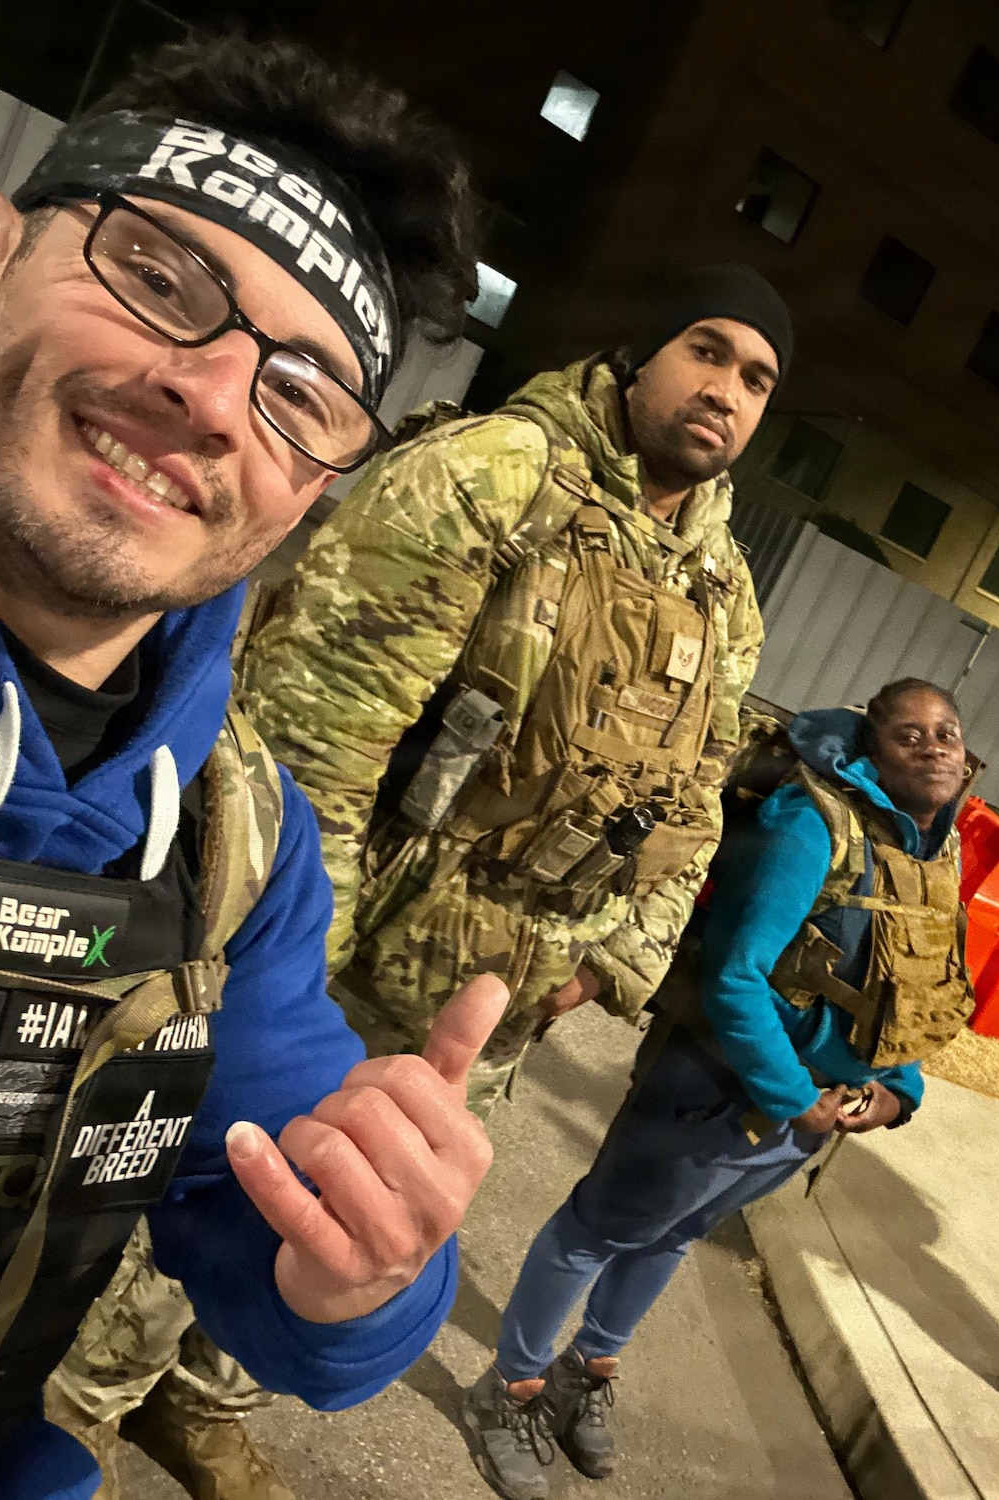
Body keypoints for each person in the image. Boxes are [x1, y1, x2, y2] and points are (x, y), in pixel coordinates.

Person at [0, 33, 501, 1500]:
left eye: (302, 394)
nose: (211, 397)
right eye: (162, 280)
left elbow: (276, 1246)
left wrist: (368, 1266)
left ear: (316, 492)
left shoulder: (230, 841)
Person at [240, 262, 792, 1113]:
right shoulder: (497, 474)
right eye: (706, 352)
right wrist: (295, 967)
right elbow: (320, 728)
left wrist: (615, 962)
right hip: (337, 991)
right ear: (642, 356)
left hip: (499, 1024)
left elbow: (697, 795)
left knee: (378, 1237)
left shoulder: (723, 588)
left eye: (756, 381)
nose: (725, 392)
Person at [464, 679, 978, 1499]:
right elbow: (734, 976)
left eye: (947, 732)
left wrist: (898, 1084)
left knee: (672, 1235)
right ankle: (510, 1386)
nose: (935, 747)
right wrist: (787, 1093)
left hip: (809, 1113)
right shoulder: (810, 825)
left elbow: (912, 986)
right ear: (873, 745)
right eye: (910, 734)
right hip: (713, 1084)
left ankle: (585, 1368)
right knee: (596, 1230)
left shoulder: (929, 848)